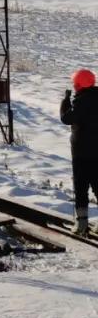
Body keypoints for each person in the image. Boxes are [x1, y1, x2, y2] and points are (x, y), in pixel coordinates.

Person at [61, 68, 98, 235]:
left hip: (82, 153)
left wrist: (66, 101)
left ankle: (81, 225)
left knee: (81, 187)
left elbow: (66, 118)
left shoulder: (81, 102)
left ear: (78, 85)